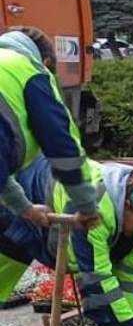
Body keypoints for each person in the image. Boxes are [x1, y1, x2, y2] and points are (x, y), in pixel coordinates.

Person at [0, 157, 133, 326]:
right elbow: (96, 276)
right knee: (6, 265)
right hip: (27, 195)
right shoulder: (92, 209)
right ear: (128, 205)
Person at [0, 27, 98, 236]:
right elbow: (60, 145)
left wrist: (26, 209)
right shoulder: (29, 71)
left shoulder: (6, 68)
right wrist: (87, 206)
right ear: (45, 62)